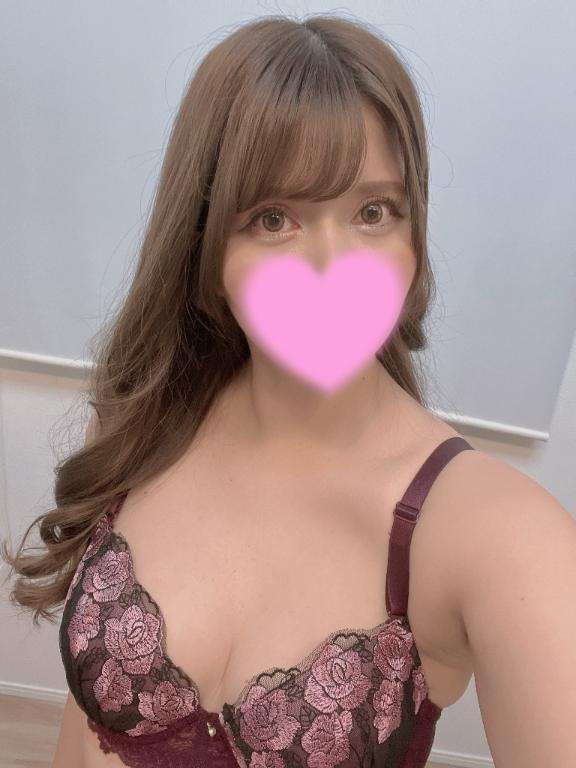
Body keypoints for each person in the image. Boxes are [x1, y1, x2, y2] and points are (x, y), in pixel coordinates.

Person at [2, 12, 575, 768]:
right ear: (205, 244)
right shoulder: (139, 422)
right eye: (274, 218)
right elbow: (82, 736)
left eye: (373, 211)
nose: (332, 266)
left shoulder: (497, 537)